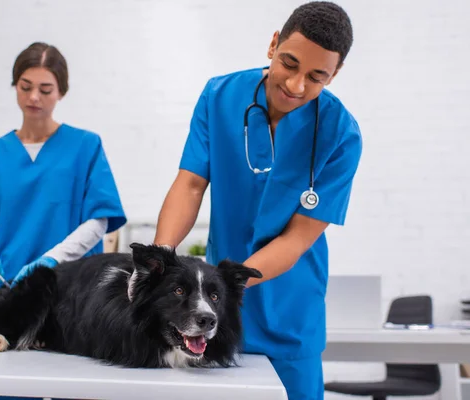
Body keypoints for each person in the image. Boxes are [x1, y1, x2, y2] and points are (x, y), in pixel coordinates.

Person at [153, 2, 362, 399]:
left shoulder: (342, 135)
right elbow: (191, 184)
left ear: (335, 75)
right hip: (213, 314)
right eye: (290, 63)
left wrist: (227, 285)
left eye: (317, 77)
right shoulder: (219, 96)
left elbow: (297, 239)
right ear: (272, 45)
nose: (297, 86)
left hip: (289, 313)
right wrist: (161, 256)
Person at [0, 42, 127, 400]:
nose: (34, 97)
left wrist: (52, 261)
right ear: (15, 85)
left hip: (68, 293)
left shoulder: (85, 147)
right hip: (6, 290)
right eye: (25, 86)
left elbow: (99, 219)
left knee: (72, 388)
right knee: (4, 390)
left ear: (61, 91)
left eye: (45, 89)